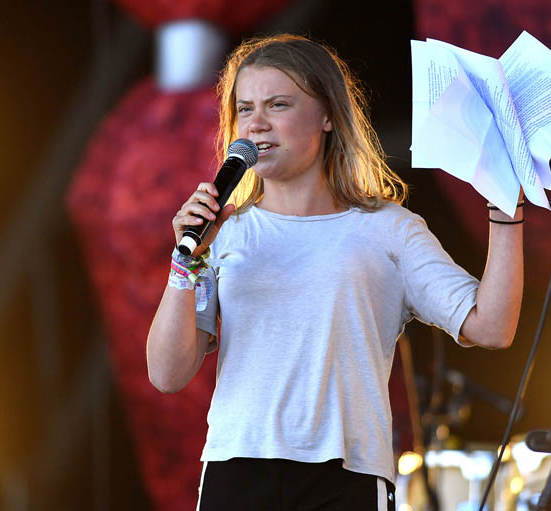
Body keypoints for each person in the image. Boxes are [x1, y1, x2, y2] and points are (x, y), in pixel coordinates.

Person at [147, 34, 524, 511]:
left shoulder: (388, 230)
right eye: (245, 109)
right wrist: (185, 261)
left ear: (327, 115)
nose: (256, 124)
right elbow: (166, 373)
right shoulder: (222, 234)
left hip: (347, 476)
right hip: (237, 468)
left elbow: (491, 327)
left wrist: (507, 208)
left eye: (278, 104)